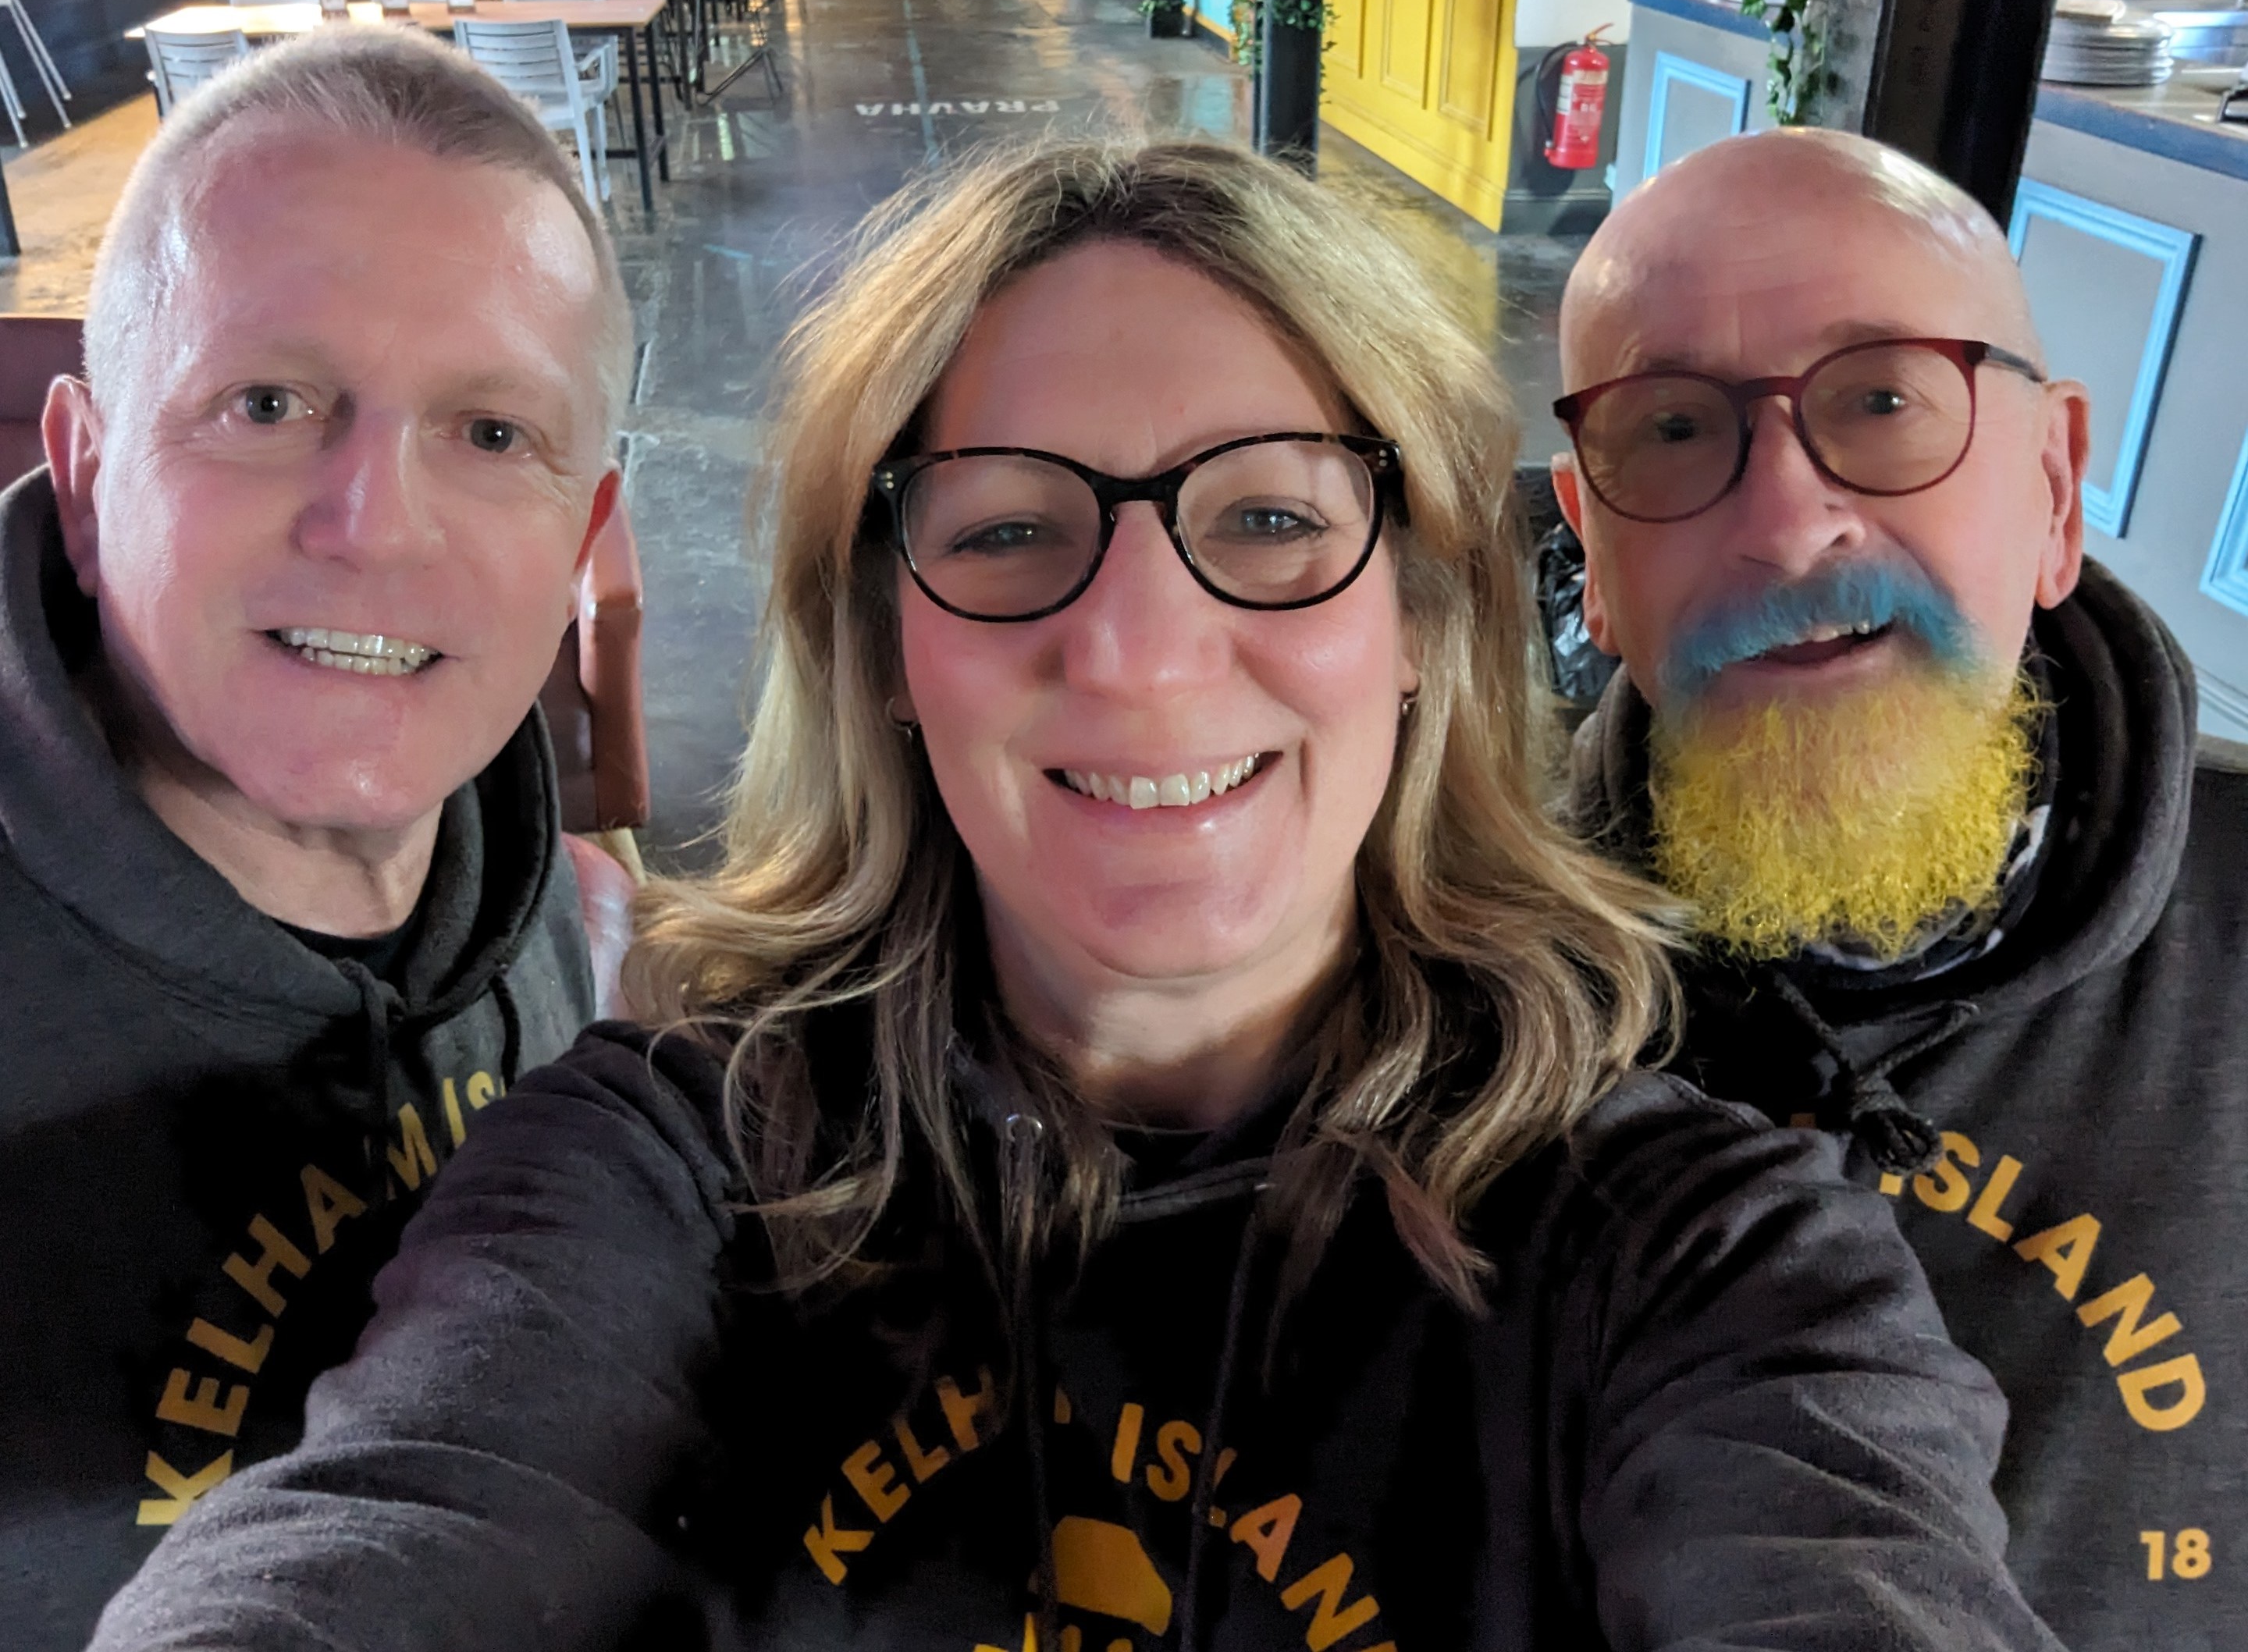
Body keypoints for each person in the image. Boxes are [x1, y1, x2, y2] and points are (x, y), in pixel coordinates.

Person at [97, 140, 2058, 1652]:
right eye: (1016, 531)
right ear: (879, 643)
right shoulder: (664, 1170)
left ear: (1421, 624)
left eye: (1273, 521)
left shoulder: (1700, 1252)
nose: (1135, 651)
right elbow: (415, 1505)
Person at [1550, 126, 2247, 1651]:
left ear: (2055, 486)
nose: (1791, 523)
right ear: (1591, 554)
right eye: (1671, 430)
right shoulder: (1479, 956)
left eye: (1882, 400)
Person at [0, 26, 630, 1650]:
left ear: (581, 535)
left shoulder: (522, 884)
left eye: (490, 435)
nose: (377, 525)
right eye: (268, 403)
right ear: (83, 474)